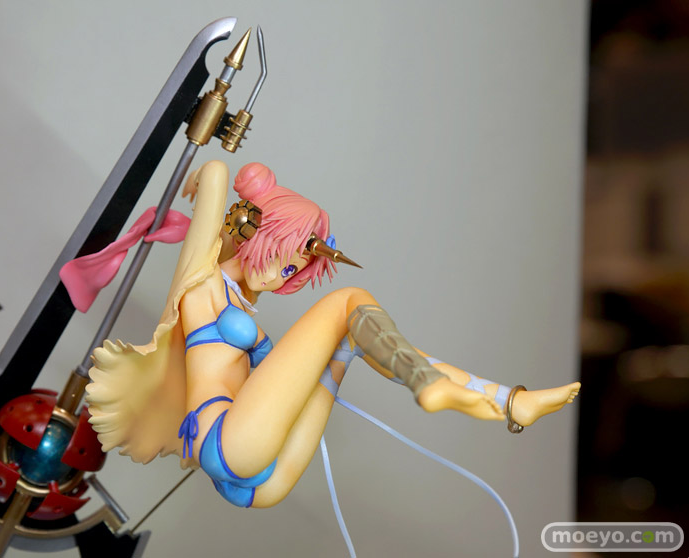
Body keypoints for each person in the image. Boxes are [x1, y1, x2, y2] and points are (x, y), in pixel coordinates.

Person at [70, 160, 580, 509]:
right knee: (346, 301)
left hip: (265, 479)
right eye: (280, 255)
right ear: (253, 229)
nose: (280, 276)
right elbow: (221, 173)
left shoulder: (244, 306)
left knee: (350, 335)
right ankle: (430, 387)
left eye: (293, 269)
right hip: (226, 443)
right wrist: (209, 175)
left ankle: (507, 401)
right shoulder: (200, 285)